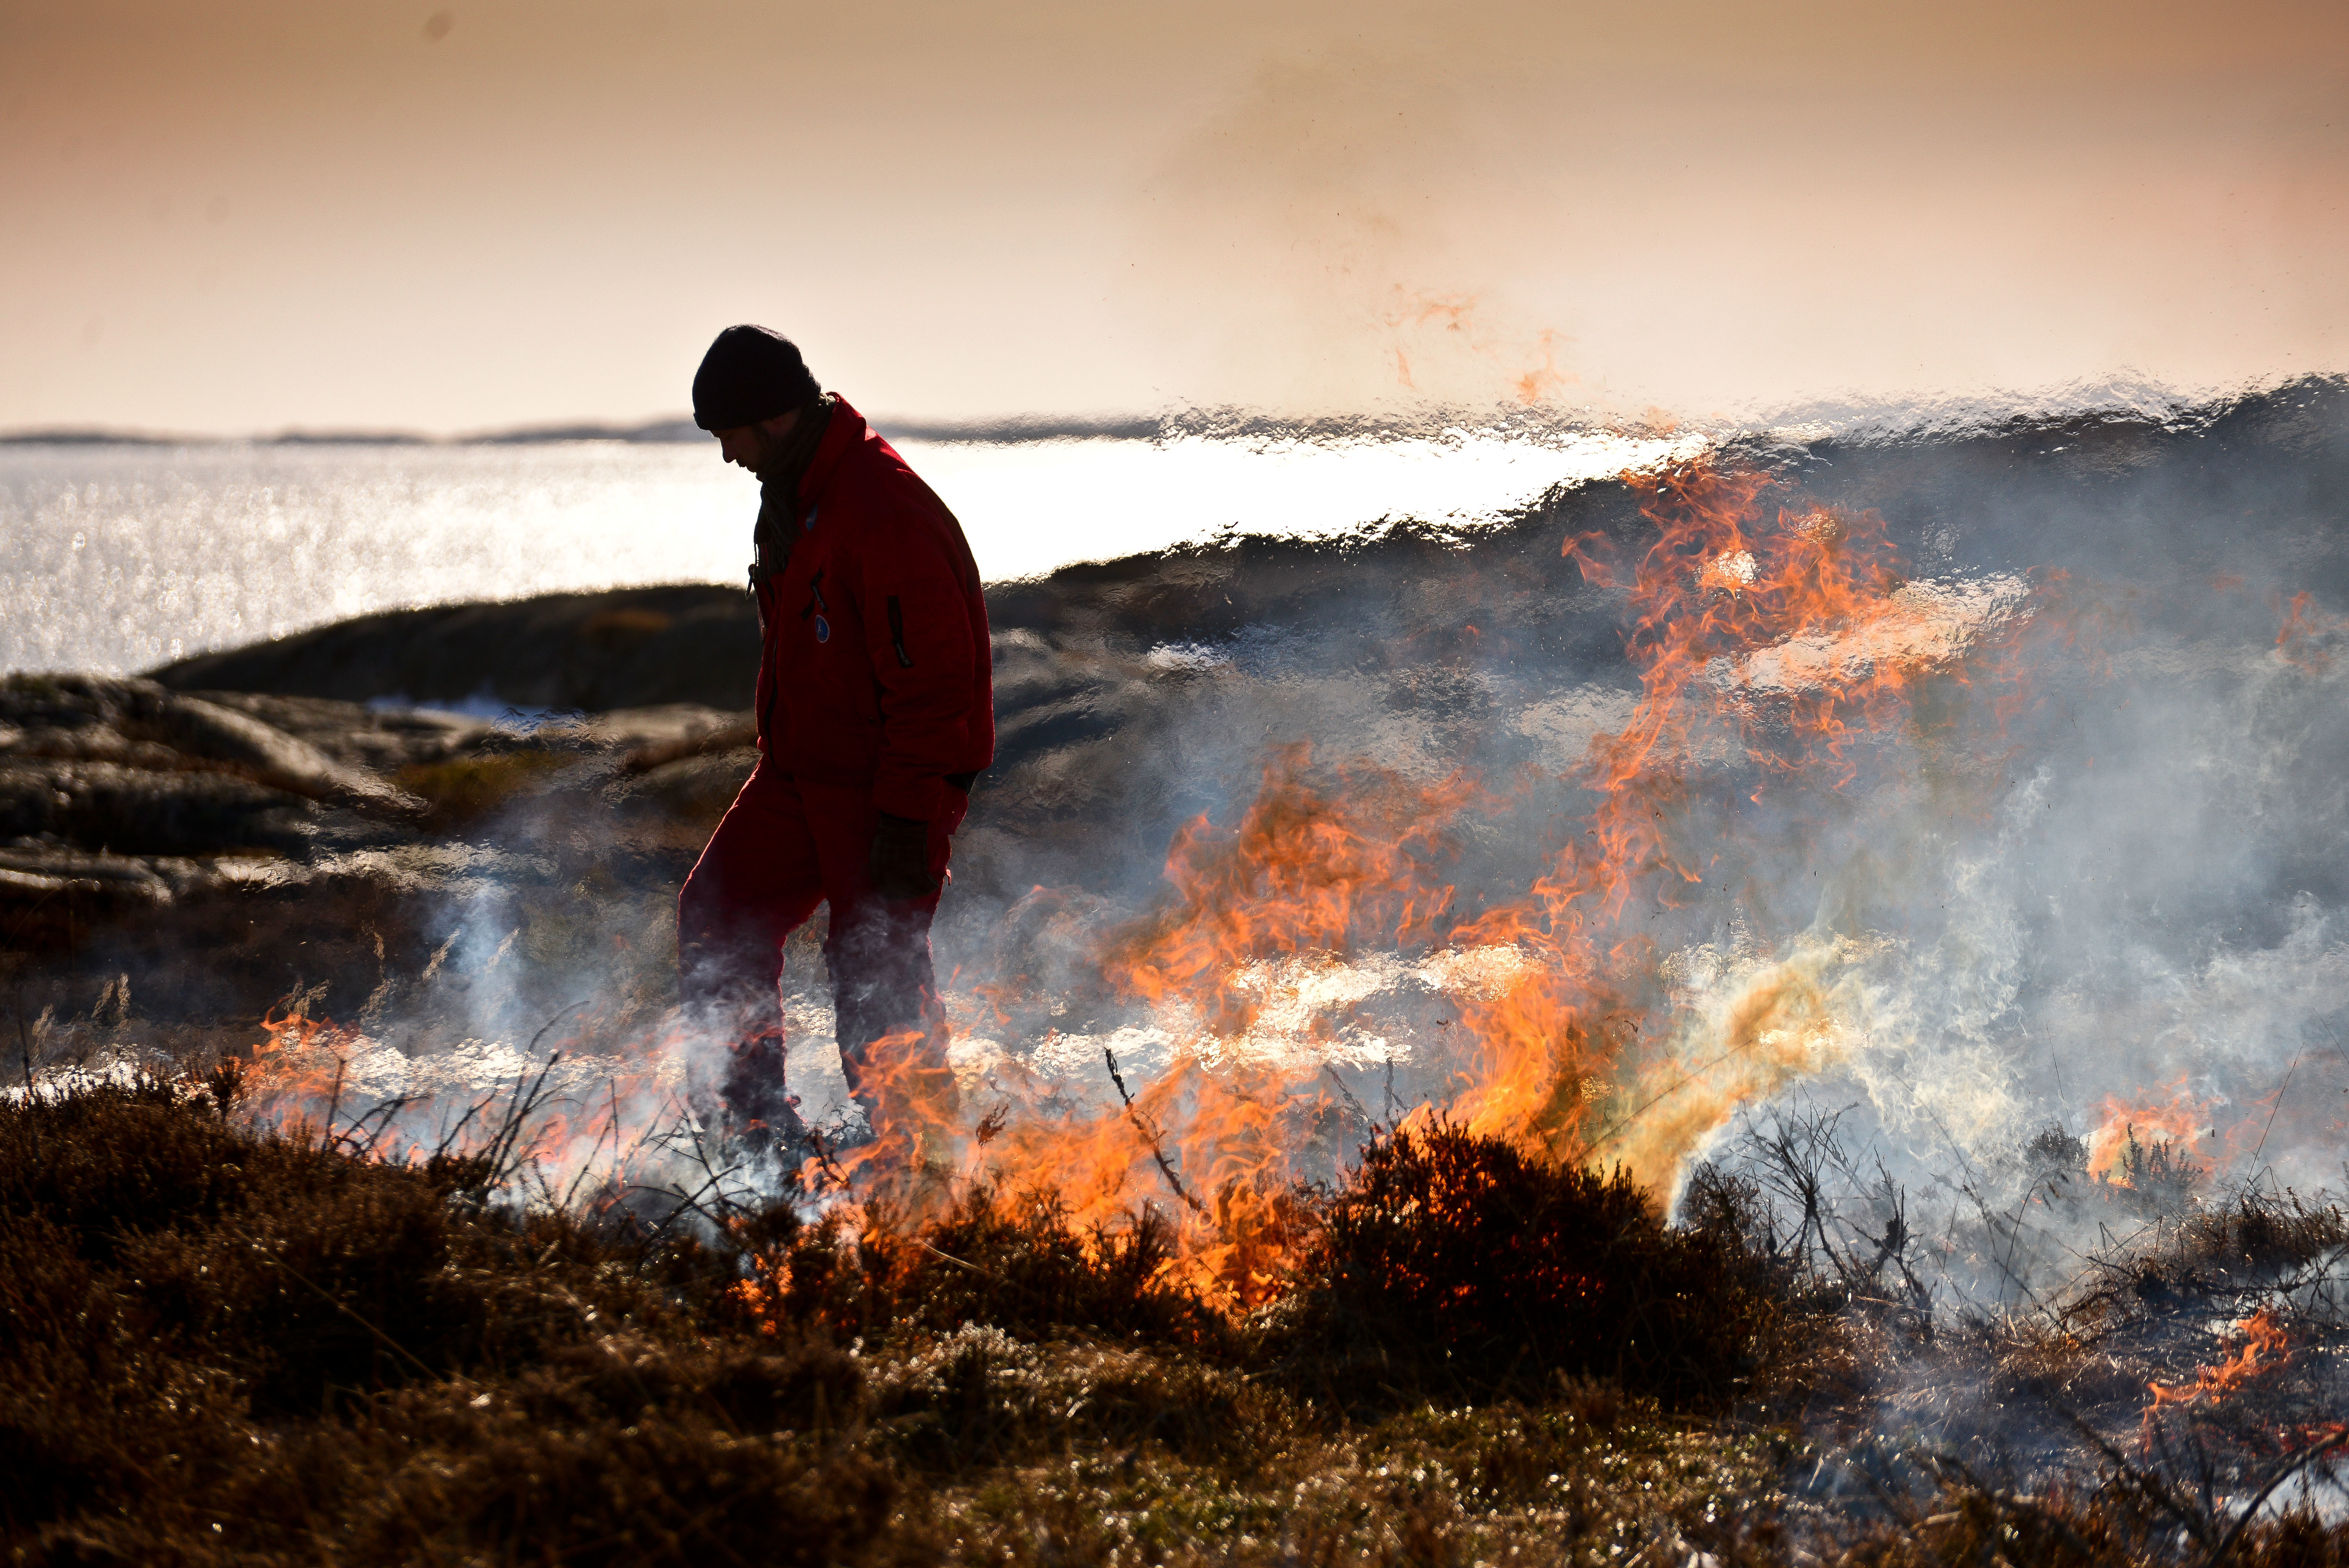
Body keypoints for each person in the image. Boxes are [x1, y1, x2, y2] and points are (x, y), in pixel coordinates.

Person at [675, 324, 992, 1160]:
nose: (725, 456)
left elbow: (934, 690)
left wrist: (905, 818)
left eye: (729, 436)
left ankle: (921, 1166)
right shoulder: (794, 498)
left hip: (884, 789)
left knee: (874, 976)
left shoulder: (882, 513)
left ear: (770, 420)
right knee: (718, 912)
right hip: (798, 775)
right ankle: (755, 1138)